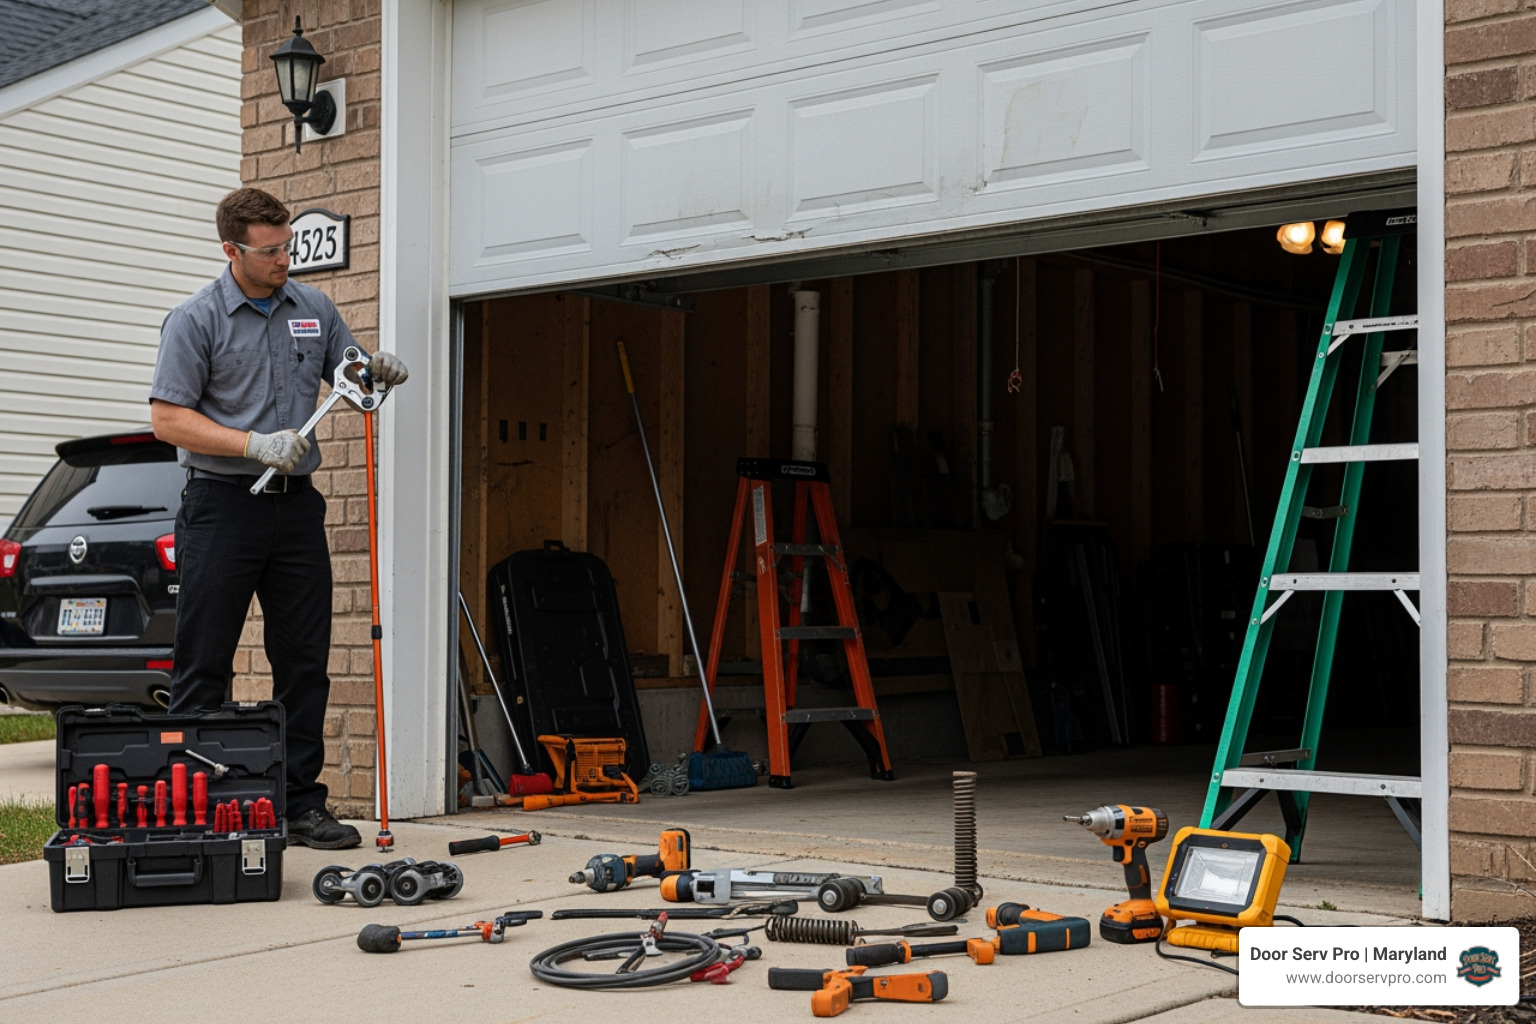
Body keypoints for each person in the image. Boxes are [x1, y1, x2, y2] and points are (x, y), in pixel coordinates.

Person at [149, 187, 408, 849]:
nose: (284, 260)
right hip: (220, 507)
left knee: (303, 663)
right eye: (269, 252)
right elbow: (167, 418)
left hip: (295, 512)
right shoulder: (195, 320)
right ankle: (191, 803)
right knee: (203, 662)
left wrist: (374, 371)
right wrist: (251, 443)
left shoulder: (313, 308)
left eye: (287, 245)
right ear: (231, 250)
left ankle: (300, 804)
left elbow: (354, 379)